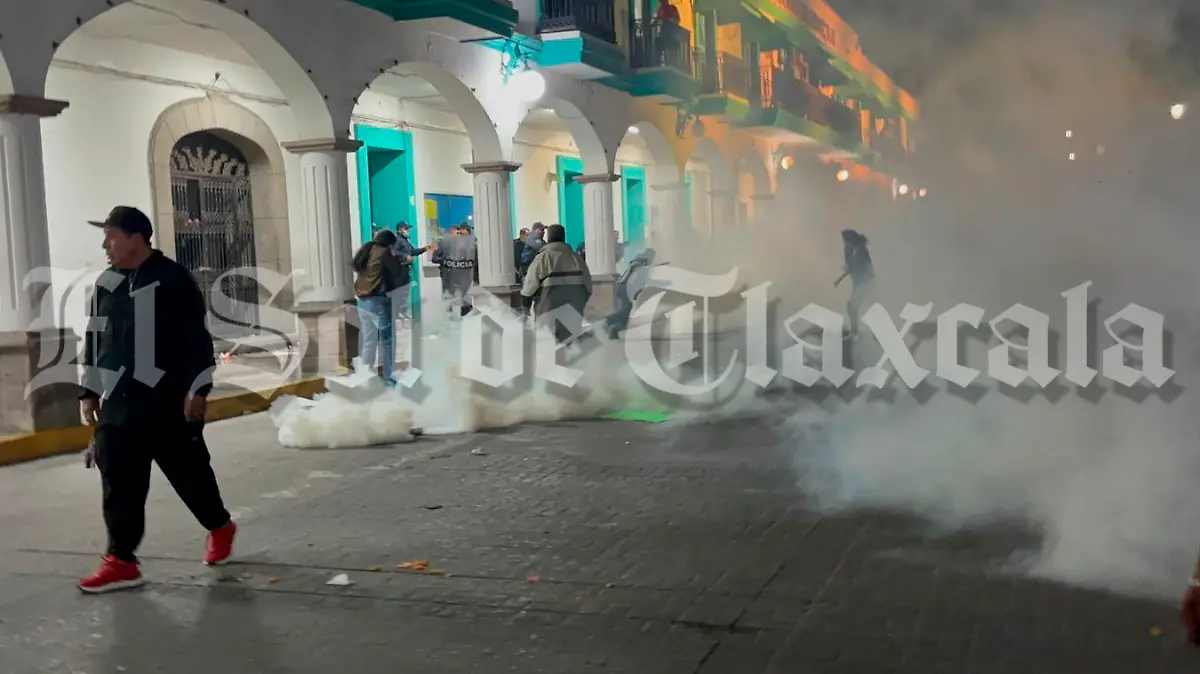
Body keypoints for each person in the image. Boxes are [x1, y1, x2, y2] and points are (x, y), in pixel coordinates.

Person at [77, 205, 236, 593]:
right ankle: (121, 559)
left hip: (166, 399)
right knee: (118, 478)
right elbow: (96, 337)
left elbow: (196, 339)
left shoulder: (172, 279)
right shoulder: (106, 283)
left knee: (190, 473)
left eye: (111, 235)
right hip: (118, 399)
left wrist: (199, 388)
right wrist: (90, 388)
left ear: (136, 237)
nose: (105, 244)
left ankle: (219, 525)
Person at [521, 224, 593, 344]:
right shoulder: (576, 258)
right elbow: (588, 285)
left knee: (549, 347)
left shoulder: (543, 258)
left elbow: (529, 286)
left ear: (549, 238)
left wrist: (525, 306)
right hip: (573, 311)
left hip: (548, 313)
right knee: (571, 346)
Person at [352, 228, 405, 383]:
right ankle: (387, 376)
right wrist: (398, 259)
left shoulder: (367, 250)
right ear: (389, 243)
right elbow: (395, 272)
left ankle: (364, 375)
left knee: (369, 340)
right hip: (378, 301)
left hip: (362, 301)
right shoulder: (384, 253)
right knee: (387, 340)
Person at [604, 248, 656, 340]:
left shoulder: (640, 263)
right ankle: (607, 321)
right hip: (625, 288)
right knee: (625, 311)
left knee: (626, 312)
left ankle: (613, 331)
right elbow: (634, 277)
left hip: (624, 287)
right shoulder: (640, 264)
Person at [834, 228, 875, 339]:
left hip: (865, 283)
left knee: (852, 307)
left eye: (845, 240)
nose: (844, 243)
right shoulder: (854, 250)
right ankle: (856, 332)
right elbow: (851, 267)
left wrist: (840, 279)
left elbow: (859, 267)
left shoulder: (860, 251)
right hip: (861, 283)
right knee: (856, 307)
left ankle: (855, 333)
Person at [390, 221, 432, 320]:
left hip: (405, 269)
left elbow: (413, 252)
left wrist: (424, 249)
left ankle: (402, 311)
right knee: (398, 292)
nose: (408, 231)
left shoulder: (406, 241)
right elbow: (393, 252)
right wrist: (405, 256)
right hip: (399, 269)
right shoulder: (397, 239)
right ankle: (395, 313)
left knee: (405, 292)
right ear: (400, 229)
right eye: (406, 228)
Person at [436, 222, 477, 316]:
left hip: (463, 275)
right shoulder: (444, 244)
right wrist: (445, 260)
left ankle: (465, 312)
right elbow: (435, 258)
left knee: (464, 295)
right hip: (449, 275)